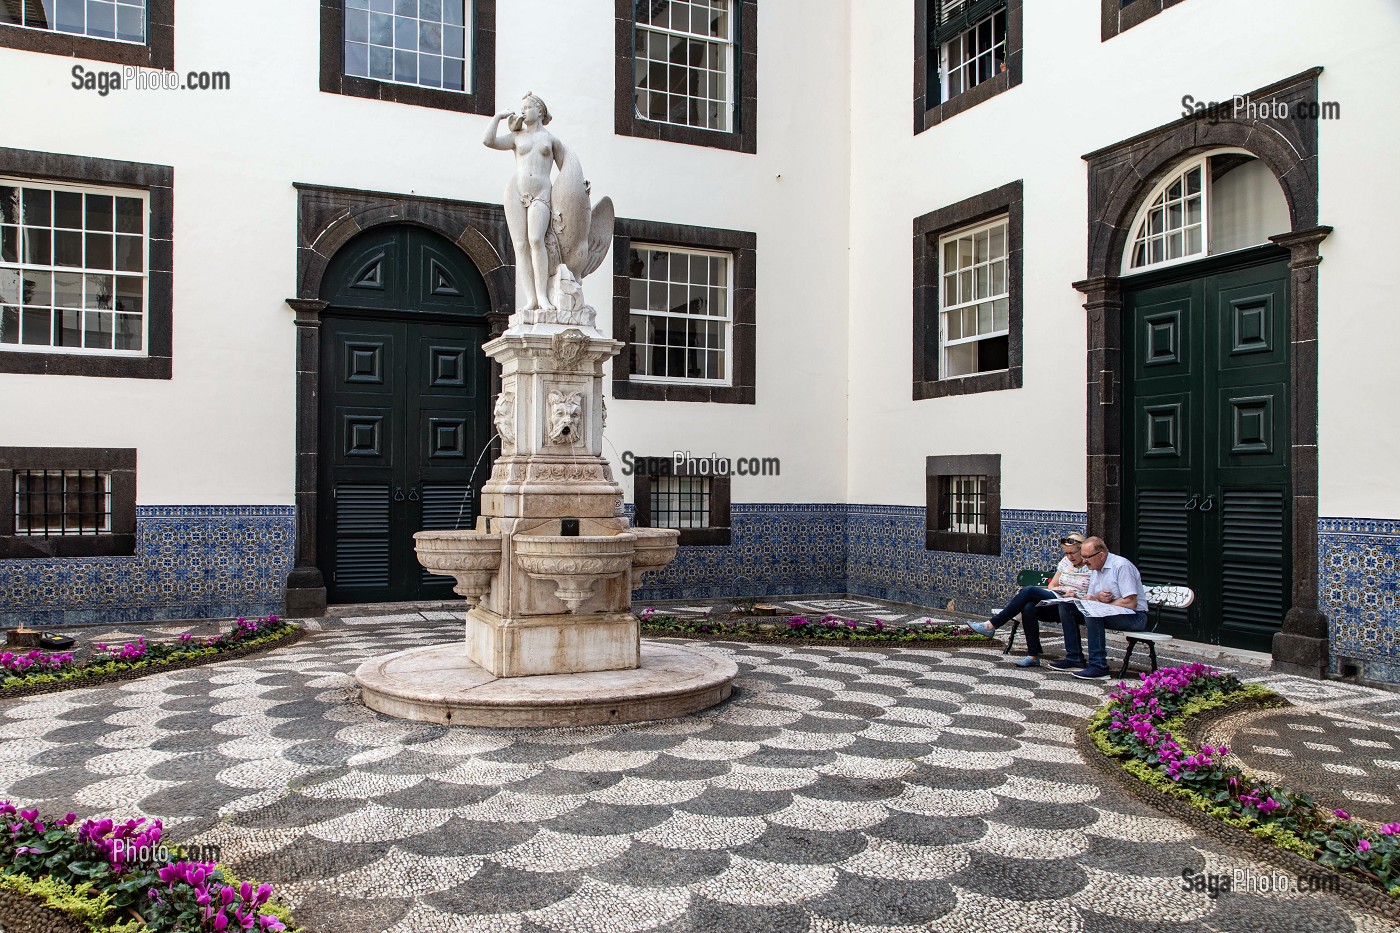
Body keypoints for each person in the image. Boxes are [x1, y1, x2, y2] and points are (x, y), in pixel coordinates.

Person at [483, 92, 566, 313]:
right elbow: (488, 140)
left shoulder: (550, 140)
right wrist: (499, 118)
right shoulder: (517, 137)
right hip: (516, 192)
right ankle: (531, 299)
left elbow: (568, 168)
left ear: (540, 111)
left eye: (527, 107)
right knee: (520, 246)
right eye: (522, 108)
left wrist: (582, 185)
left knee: (536, 240)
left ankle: (542, 297)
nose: (523, 111)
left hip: (541, 192)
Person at [967, 533, 1091, 667]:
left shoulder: (1090, 565)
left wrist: (1075, 595)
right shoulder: (1065, 562)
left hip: (1077, 605)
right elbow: (1052, 585)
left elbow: (1094, 593)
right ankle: (1033, 656)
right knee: (1028, 607)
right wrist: (1061, 590)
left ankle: (991, 625)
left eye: (1072, 552)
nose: (1069, 556)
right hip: (1058, 598)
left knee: (1029, 591)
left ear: (1082, 550)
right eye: (1066, 553)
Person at [1049, 535, 1150, 680]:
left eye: (1087, 557)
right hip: (1112, 612)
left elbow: (1131, 603)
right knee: (1067, 607)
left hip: (1135, 617)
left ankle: (1099, 666)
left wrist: (1101, 603)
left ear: (1101, 555)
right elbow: (1092, 599)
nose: (1084, 561)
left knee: (1094, 613)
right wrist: (1089, 598)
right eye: (1083, 556)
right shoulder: (1095, 568)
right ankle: (1074, 658)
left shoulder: (1121, 566)